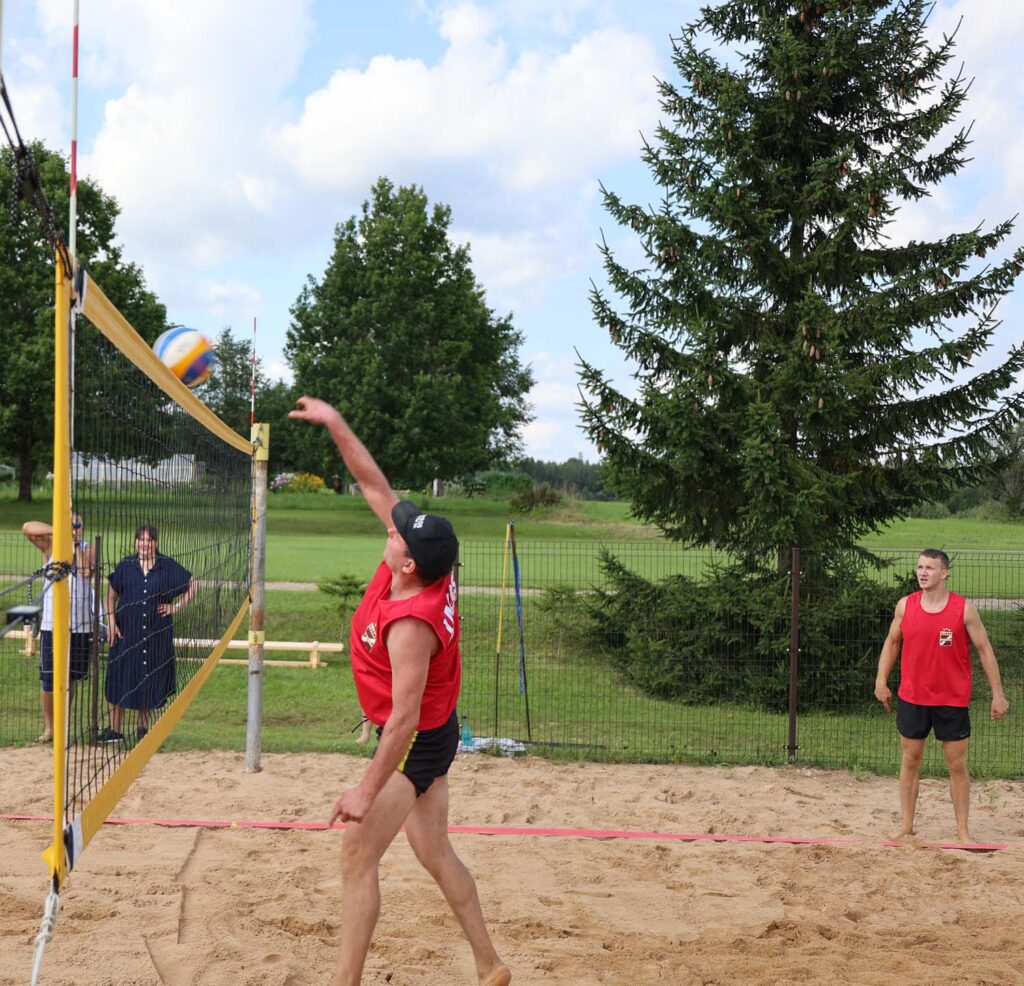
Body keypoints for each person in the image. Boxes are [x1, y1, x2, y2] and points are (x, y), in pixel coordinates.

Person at [289, 396, 511, 986]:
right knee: (433, 851)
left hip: (416, 740)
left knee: (357, 856)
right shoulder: (424, 563)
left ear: (411, 565)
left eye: (399, 537)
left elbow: (404, 720)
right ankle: (490, 965)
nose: (390, 530)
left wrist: (366, 790)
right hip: (434, 728)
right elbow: (374, 485)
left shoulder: (411, 626)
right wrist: (336, 422)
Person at [875, 548, 1010, 843]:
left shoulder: (963, 609)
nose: (922, 572)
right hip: (913, 697)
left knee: (957, 765)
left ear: (944, 573)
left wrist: (998, 695)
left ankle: (962, 831)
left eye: (930, 568)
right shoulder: (905, 606)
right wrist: (880, 680)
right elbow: (892, 642)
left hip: (952, 700)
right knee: (910, 760)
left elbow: (985, 650)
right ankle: (906, 826)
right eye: (920, 567)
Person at [102, 525, 196, 744]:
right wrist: (111, 622)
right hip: (126, 633)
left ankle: (142, 729)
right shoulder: (126, 566)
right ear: (136, 542)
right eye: (141, 539)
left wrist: (176, 607)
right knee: (119, 678)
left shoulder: (167, 566)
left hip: (155, 634)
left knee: (149, 678)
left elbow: (194, 585)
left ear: (156, 543)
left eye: (150, 540)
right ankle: (114, 731)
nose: (145, 544)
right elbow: (110, 596)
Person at [22, 513, 98, 743]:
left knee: (70, 678)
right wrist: (60, 531)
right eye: (70, 524)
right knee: (48, 679)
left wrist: (74, 543)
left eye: (77, 525)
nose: (74, 528)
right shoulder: (51, 545)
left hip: (79, 625)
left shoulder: (88, 548)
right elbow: (28, 527)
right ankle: (49, 728)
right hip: (52, 624)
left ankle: (62, 724)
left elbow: (87, 571)